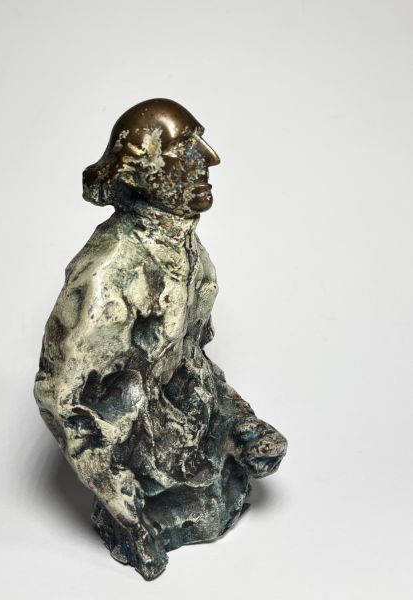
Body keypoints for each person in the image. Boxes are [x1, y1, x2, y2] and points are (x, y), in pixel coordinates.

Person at [34, 98, 287, 580]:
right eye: (185, 148)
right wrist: (120, 502)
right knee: (127, 393)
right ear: (143, 171)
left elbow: (189, 357)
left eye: (200, 141)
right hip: (137, 455)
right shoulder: (109, 275)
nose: (210, 157)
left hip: (182, 437)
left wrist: (240, 422)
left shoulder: (187, 251)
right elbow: (60, 396)